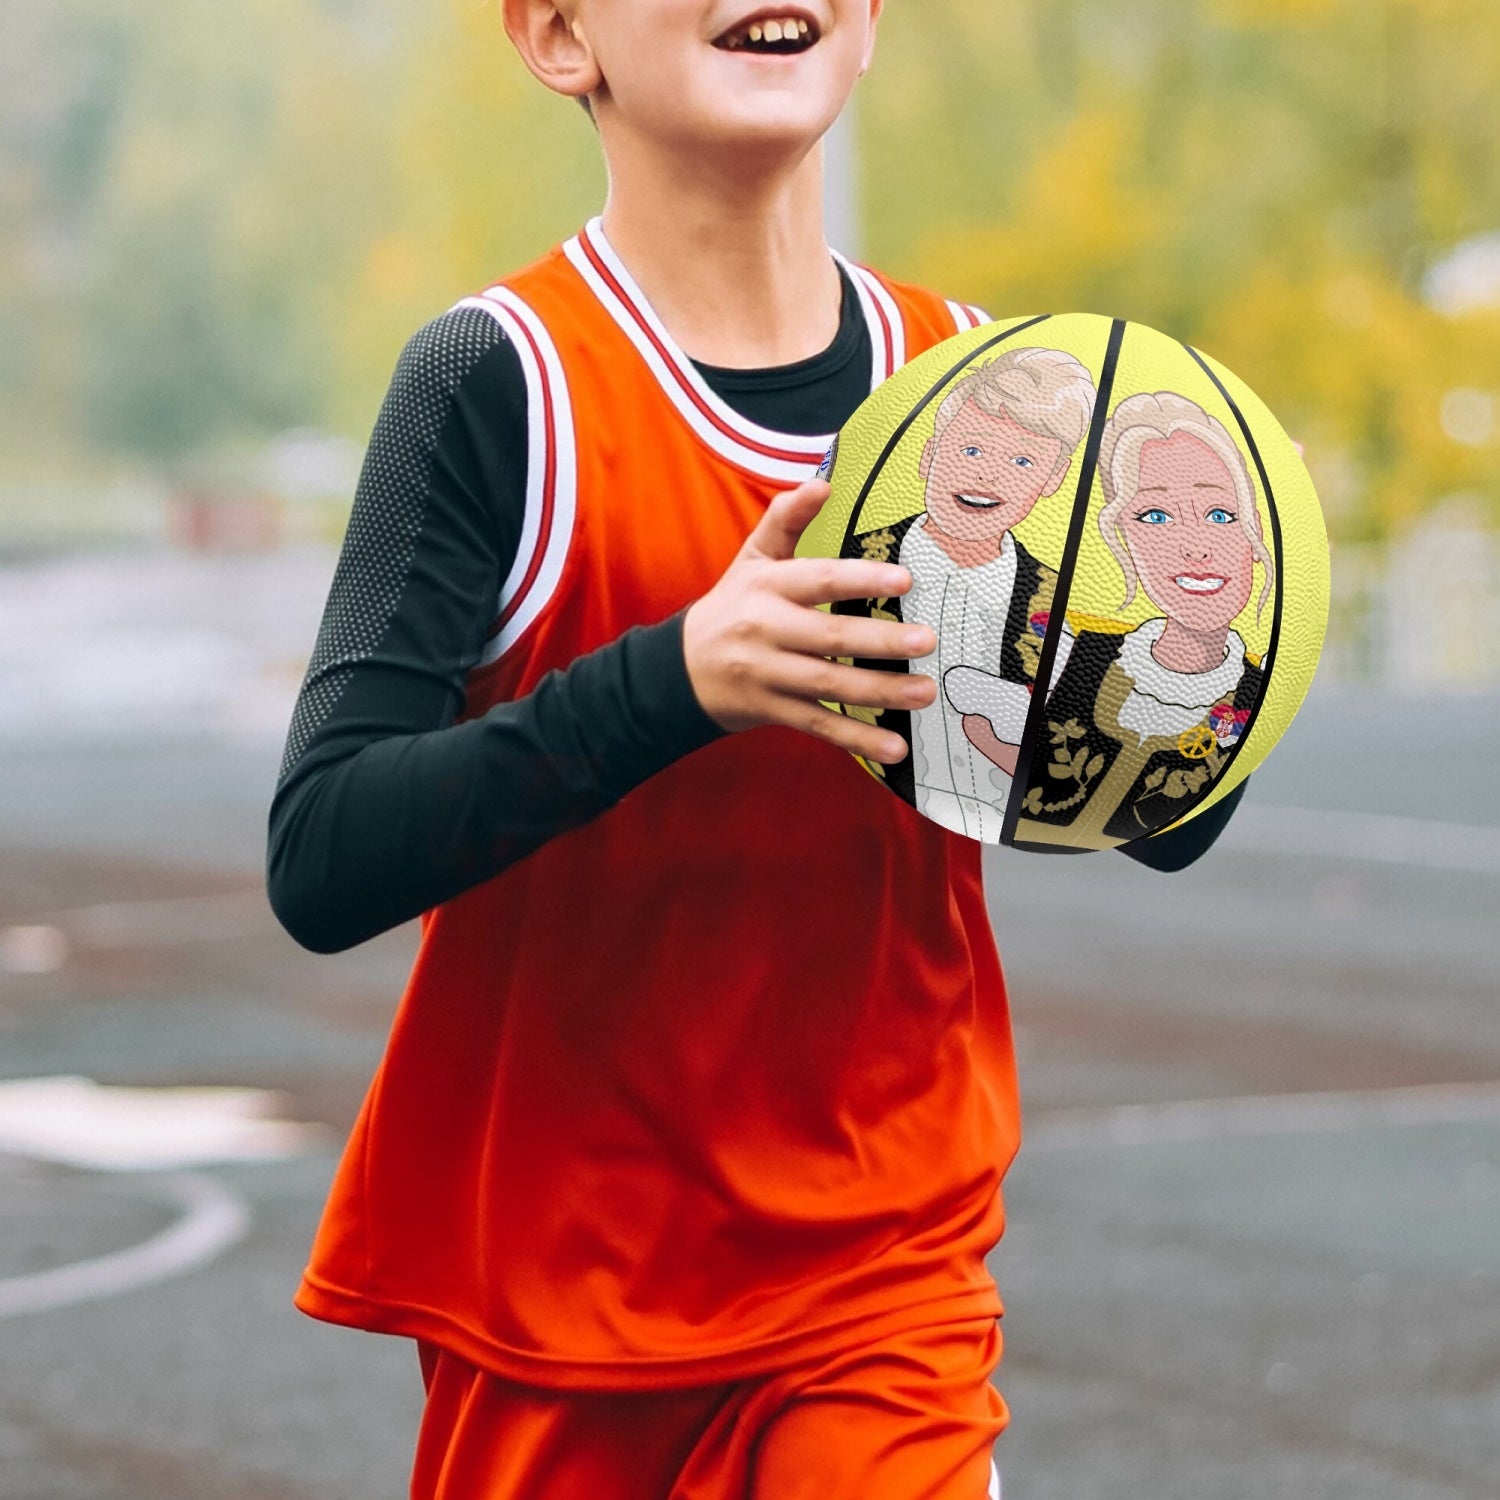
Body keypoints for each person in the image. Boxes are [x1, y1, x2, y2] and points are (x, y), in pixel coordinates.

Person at [267, 5, 1239, 1494]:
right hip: (562, 1286)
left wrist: (1198, 655)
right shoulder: (500, 379)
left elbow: (1166, 817)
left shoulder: (990, 393)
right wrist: (676, 681)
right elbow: (323, 852)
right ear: (558, 35)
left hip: (884, 1272)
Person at [838, 349, 1096, 841]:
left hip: (972, 842)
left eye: (1023, 460)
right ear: (929, 453)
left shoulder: (1054, 605)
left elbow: (1071, 758)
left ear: (1054, 479)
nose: (989, 475)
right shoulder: (853, 567)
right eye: (972, 450)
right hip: (850, 828)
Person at [1013, 390, 1272, 849]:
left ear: (1256, 530)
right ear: (1124, 538)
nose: (1195, 547)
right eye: (1155, 516)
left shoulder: (1262, 685)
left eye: (1220, 514)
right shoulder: (1064, 656)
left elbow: (1172, 848)